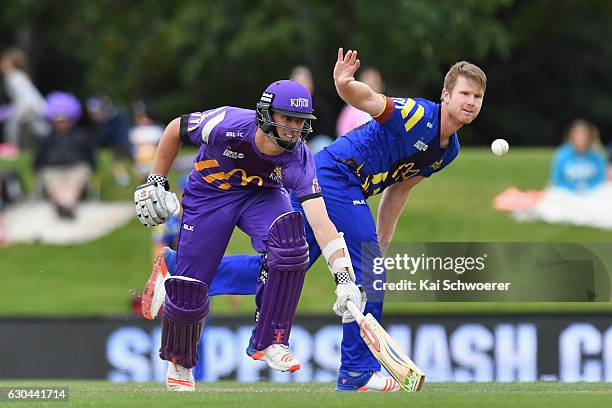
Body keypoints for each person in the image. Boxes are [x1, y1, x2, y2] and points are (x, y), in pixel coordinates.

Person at [142, 48, 486, 392]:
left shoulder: (449, 149)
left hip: (332, 184)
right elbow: (368, 100)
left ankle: (176, 272)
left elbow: (399, 191)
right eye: (464, 94)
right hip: (337, 176)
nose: (471, 101)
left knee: (284, 265)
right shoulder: (416, 115)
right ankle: (357, 373)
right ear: (446, 95)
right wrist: (344, 84)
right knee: (369, 272)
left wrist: (379, 245)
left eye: (478, 96)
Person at [133, 79, 364, 392]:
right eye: (287, 119)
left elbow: (321, 222)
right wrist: (157, 179)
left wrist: (344, 277)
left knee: (292, 244)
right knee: (190, 289)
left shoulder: (299, 157)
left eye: (300, 121)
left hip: (261, 195)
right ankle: (180, 362)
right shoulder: (226, 124)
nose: (294, 129)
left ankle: (271, 340)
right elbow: (176, 128)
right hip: (211, 192)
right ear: (266, 114)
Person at [33, 91, 96, 219]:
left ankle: (67, 205)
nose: (61, 124)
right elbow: (39, 158)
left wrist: (91, 167)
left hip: (76, 167)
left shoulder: (81, 136)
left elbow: (90, 156)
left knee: (75, 183)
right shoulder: (47, 138)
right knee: (54, 184)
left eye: (64, 120)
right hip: (53, 169)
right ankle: (64, 205)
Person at [0, 48, 49, 149]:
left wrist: (23, 110)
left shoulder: (15, 77)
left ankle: (11, 149)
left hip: (32, 107)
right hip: (29, 106)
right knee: (41, 129)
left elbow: (27, 95)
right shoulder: (13, 76)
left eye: (4, 61)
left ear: (12, 63)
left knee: (13, 125)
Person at [86, 94, 133, 186]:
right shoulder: (97, 123)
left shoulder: (119, 117)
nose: (94, 115)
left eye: (96, 112)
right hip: (107, 148)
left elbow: (123, 136)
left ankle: (123, 179)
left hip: (120, 146)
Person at [290, 66, 337, 153]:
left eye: (304, 82)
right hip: (293, 142)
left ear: (311, 84)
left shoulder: (320, 103)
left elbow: (326, 130)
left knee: (324, 145)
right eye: (298, 83)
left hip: (316, 141)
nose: (301, 86)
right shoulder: (287, 104)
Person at [550, 119, 606, 191]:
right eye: (578, 134)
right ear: (571, 136)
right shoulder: (562, 154)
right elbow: (558, 179)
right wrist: (574, 188)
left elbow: (600, 178)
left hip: (591, 192)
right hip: (567, 193)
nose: (580, 137)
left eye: (583, 134)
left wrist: (587, 187)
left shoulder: (596, 154)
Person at [335, 66, 385, 137]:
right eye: (368, 84)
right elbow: (342, 134)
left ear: (381, 86)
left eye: (375, 83)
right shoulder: (351, 109)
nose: (371, 89)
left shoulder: (386, 107)